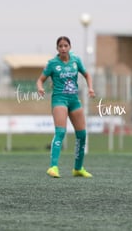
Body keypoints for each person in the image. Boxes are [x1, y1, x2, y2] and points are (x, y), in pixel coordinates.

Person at [36, 36, 95, 178]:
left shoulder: (76, 60)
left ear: (70, 47)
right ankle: (53, 167)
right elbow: (40, 80)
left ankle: (78, 168)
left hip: (74, 100)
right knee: (60, 132)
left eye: (65, 46)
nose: (63, 48)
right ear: (57, 48)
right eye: (60, 46)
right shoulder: (52, 63)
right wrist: (40, 88)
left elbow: (87, 75)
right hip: (59, 99)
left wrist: (90, 88)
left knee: (82, 134)